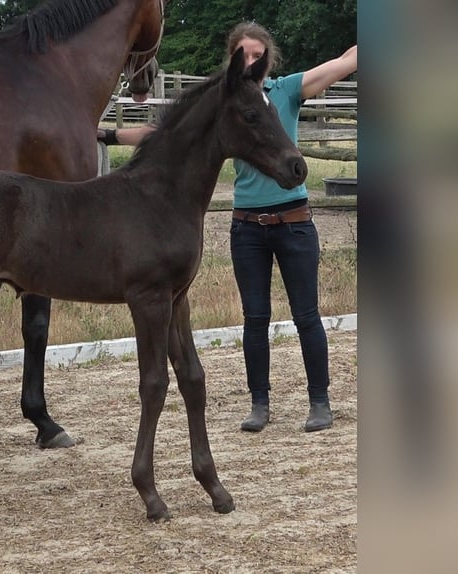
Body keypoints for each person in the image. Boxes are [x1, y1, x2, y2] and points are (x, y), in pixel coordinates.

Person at [99, 23, 357, 433]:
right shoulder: (224, 103)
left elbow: (342, 63)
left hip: (293, 222)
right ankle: (260, 403)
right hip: (247, 226)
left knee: (306, 314)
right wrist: (109, 134)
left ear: (267, 58)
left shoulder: (286, 90)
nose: (251, 61)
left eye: (257, 55)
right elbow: (166, 134)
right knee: (254, 318)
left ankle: (319, 401)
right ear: (233, 58)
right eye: (244, 55)